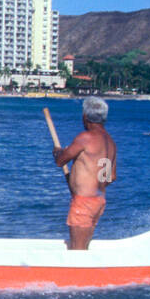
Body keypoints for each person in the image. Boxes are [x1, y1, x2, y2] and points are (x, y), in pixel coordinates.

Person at [53, 97, 118, 251]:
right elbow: (110, 176)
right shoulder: (110, 142)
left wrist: (58, 152)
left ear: (85, 117)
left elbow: (61, 161)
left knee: (78, 249)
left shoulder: (85, 138)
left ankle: (78, 274)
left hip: (84, 202)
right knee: (84, 246)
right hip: (98, 201)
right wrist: (88, 182)